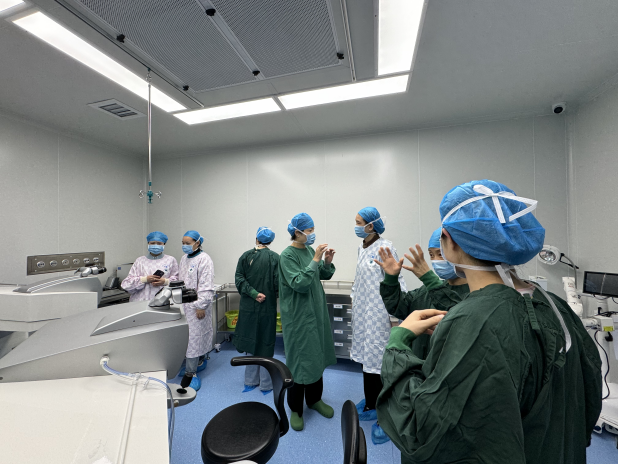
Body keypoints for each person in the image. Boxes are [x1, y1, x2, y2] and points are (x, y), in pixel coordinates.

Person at [376, 180, 602, 464]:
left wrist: (397, 345)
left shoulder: (474, 319)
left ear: (449, 240)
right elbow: (589, 392)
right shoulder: (555, 304)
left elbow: (426, 431)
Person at [350, 207, 407, 445]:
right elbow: (359, 281)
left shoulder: (385, 247)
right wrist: (354, 300)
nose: (355, 226)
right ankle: (372, 403)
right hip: (364, 315)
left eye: (358, 222)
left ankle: (386, 417)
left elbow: (397, 280)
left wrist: (395, 318)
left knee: (382, 365)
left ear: (371, 225)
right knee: (368, 360)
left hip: (381, 316)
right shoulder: (362, 247)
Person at [279, 212, 337, 432]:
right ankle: (295, 408)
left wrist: (326, 263)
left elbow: (319, 275)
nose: (312, 234)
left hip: (315, 313)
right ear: (297, 232)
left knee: (316, 357)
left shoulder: (310, 250)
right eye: (309, 230)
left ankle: (314, 400)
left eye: (313, 230)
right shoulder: (287, 256)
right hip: (298, 318)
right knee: (299, 361)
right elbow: (299, 283)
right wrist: (315, 260)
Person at [375, 227, 470, 361]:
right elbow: (398, 307)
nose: (435, 260)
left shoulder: (475, 293)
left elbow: (460, 321)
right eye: (431, 255)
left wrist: (429, 278)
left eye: (440, 254)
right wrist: (391, 279)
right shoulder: (427, 291)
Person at [233, 226, 280, 394]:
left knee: (250, 343)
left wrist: (253, 293)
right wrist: (270, 294)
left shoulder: (246, 256)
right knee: (265, 343)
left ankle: (250, 381)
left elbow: (239, 278)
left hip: (249, 307)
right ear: (271, 241)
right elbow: (279, 284)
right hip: (267, 307)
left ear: (256, 239)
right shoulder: (276, 258)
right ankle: (266, 384)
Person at [178, 230, 215, 392]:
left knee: (194, 338)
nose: (184, 246)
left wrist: (201, 305)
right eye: (183, 243)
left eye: (188, 243)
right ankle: (199, 361)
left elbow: (206, 285)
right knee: (190, 337)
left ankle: (191, 373)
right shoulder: (184, 259)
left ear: (197, 243)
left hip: (198, 306)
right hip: (185, 305)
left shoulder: (204, 259)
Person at [121, 231, 178, 302]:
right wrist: (144, 279)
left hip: (162, 301)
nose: (155, 245)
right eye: (152, 243)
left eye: (159, 243)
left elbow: (178, 281)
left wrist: (165, 281)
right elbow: (126, 284)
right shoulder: (140, 261)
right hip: (139, 301)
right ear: (148, 243)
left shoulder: (170, 260)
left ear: (164, 244)